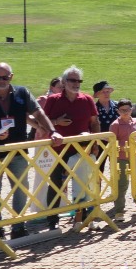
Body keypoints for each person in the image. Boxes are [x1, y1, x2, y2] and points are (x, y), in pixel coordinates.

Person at [0, 62, 56, 239]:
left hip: (18, 150)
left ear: (12, 76)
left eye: (5, 77)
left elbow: (39, 112)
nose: (1, 80)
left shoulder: (22, 92)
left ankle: (18, 225)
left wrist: (52, 131)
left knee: (21, 187)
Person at [40, 65, 101, 229]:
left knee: (83, 184)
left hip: (82, 149)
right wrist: (56, 122)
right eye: (73, 80)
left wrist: (95, 143)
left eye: (79, 80)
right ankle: (52, 220)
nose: (76, 84)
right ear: (64, 81)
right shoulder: (53, 100)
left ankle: (83, 216)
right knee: (56, 184)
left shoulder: (87, 99)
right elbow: (42, 123)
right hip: (58, 150)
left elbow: (94, 123)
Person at [108, 98, 136, 221]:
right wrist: (123, 148)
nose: (125, 112)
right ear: (118, 111)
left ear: (131, 109)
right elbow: (111, 142)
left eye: (127, 110)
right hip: (121, 158)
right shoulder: (115, 125)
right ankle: (119, 210)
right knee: (122, 183)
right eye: (122, 110)